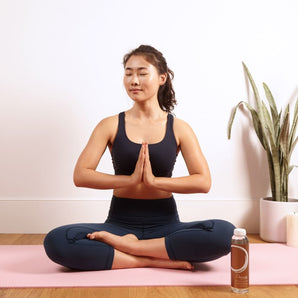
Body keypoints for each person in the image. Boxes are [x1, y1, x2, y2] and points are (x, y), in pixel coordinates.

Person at [44, 45, 235, 271]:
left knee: (227, 233)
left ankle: (129, 250)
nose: (134, 80)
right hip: (119, 224)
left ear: (162, 78)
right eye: (128, 73)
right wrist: (131, 180)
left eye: (142, 73)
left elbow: (203, 182)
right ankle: (148, 258)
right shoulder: (110, 125)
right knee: (57, 240)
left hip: (166, 224)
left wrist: (154, 182)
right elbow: (81, 175)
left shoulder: (179, 128)